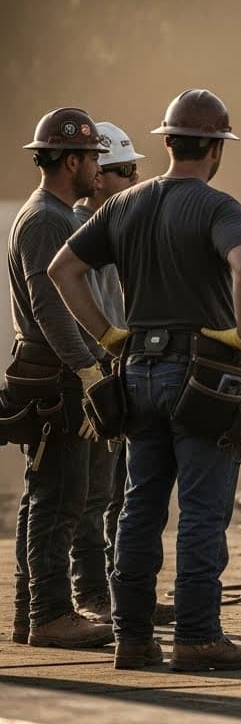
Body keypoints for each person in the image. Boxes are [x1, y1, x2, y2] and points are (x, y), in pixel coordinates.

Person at [50, 89, 241, 672]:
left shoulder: (124, 205)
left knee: (139, 508)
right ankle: (197, 637)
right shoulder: (218, 207)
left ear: (167, 142)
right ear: (216, 149)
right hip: (199, 377)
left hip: (137, 372)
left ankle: (133, 638)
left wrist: (112, 336)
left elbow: (63, 270)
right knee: (200, 509)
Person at [7, 108, 113, 649]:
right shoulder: (47, 218)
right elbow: (53, 312)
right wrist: (90, 372)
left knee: (47, 494)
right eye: (94, 156)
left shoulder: (55, 213)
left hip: (57, 371)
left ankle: (33, 613)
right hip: (59, 376)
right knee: (60, 496)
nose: (100, 165)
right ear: (70, 159)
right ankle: (49, 615)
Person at [69, 121, 144, 624]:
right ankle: (90, 593)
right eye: (123, 171)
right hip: (94, 373)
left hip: (120, 368)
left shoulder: (120, 224)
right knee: (91, 493)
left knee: (120, 489)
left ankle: (122, 593)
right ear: (97, 176)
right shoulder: (77, 230)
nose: (133, 180)